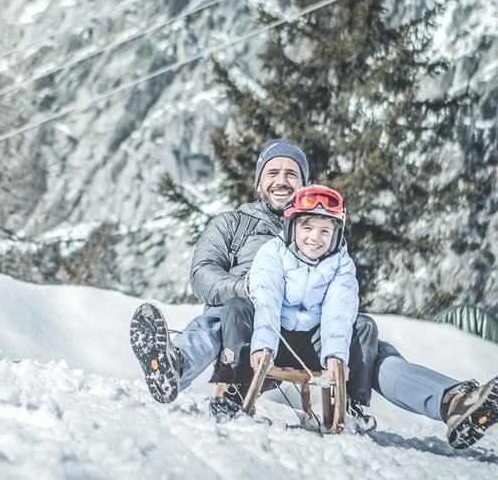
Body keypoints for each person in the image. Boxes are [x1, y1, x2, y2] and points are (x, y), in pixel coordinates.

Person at [130, 138, 498, 449]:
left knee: (365, 337)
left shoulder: (320, 227)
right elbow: (202, 273)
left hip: (315, 333)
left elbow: (339, 290)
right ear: (259, 183)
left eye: (291, 173)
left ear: (302, 183)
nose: (281, 180)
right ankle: (173, 367)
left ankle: (454, 402)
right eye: (272, 172)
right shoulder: (233, 223)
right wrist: (245, 287)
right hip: (247, 329)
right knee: (224, 310)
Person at [219, 185, 358, 413]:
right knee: (236, 308)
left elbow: (338, 310)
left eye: (325, 231)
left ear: (335, 235)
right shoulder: (273, 252)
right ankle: (236, 391)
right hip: (277, 338)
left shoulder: (341, 264)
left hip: (313, 347)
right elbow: (267, 299)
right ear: (292, 227)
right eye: (308, 228)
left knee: (364, 327)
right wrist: (264, 345)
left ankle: (352, 406)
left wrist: (335, 355)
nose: (315, 238)